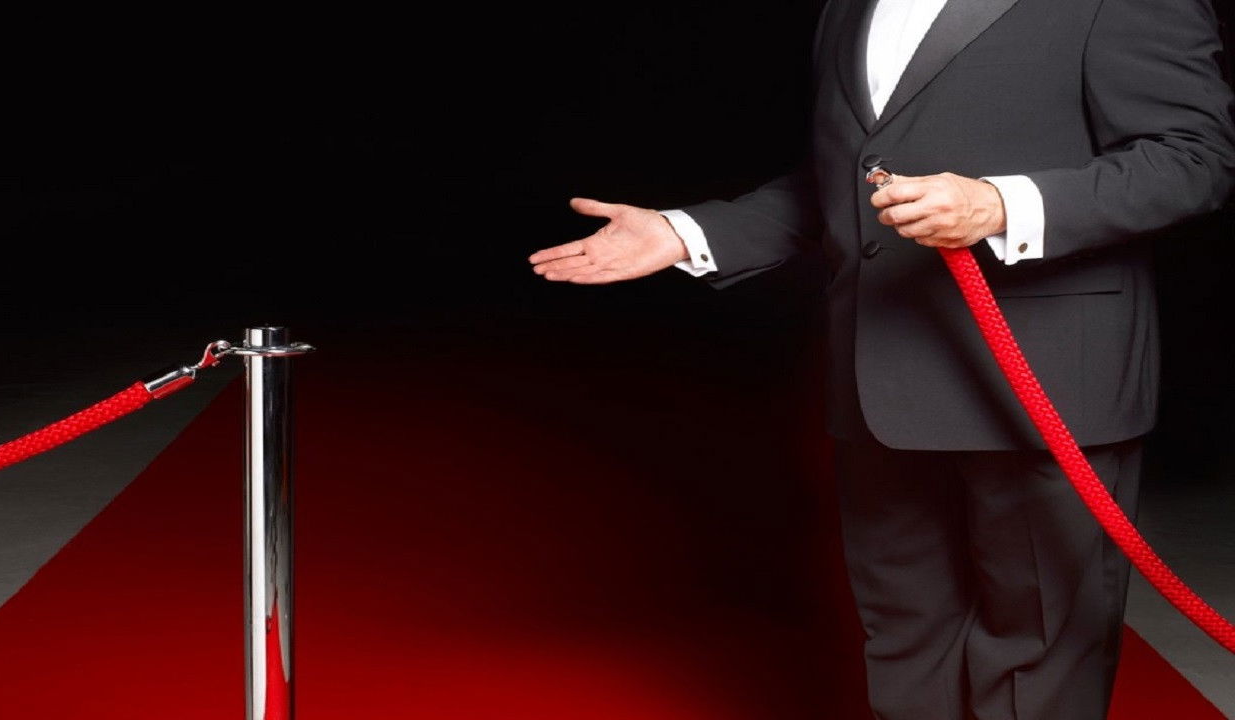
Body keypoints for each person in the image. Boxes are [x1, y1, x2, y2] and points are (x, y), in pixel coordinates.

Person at [528, 0, 1235, 718]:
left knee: (1039, 650)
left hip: (1043, 379)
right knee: (905, 641)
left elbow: (1193, 159)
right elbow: (844, 183)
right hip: (880, 379)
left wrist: (1001, 206)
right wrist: (687, 233)